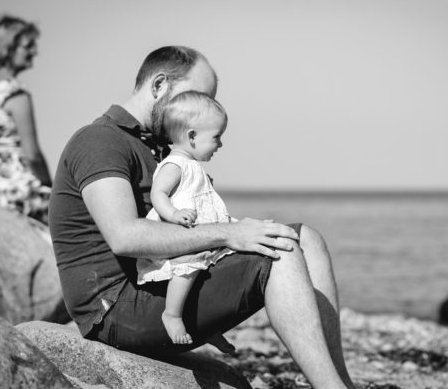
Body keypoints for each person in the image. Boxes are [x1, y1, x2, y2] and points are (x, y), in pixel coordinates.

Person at [49, 46, 355, 389]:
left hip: (161, 288)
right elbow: (125, 237)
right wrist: (227, 234)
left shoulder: (160, 148)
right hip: (117, 310)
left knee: (303, 237)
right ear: (160, 84)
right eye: (195, 96)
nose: (201, 111)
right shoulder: (100, 141)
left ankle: (340, 382)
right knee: (279, 253)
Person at [136, 91, 234, 345]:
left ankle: (205, 326)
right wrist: (174, 214)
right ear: (191, 136)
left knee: (208, 274)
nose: (221, 144)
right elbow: (159, 193)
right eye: (216, 137)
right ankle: (172, 314)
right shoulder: (174, 164)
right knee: (188, 268)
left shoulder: (192, 165)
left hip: (200, 232)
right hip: (181, 234)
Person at [0, 15, 51, 224]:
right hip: (11, 189)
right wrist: (51, 186)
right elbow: (33, 155)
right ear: (10, 47)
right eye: (28, 46)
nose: (35, 52)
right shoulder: (15, 94)